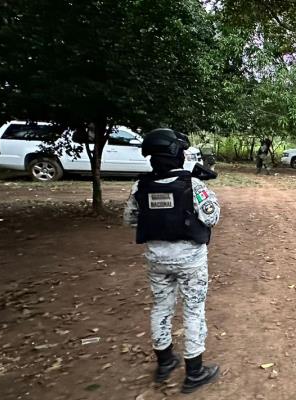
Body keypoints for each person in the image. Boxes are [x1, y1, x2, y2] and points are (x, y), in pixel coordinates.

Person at [123, 128, 221, 394]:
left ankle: (165, 362)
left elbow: (130, 219)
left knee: (161, 307)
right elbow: (212, 218)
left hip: (157, 259)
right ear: (177, 154)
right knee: (193, 310)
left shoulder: (140, 186)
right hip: (190, 260)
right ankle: (195, 371)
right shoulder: (193, 185)